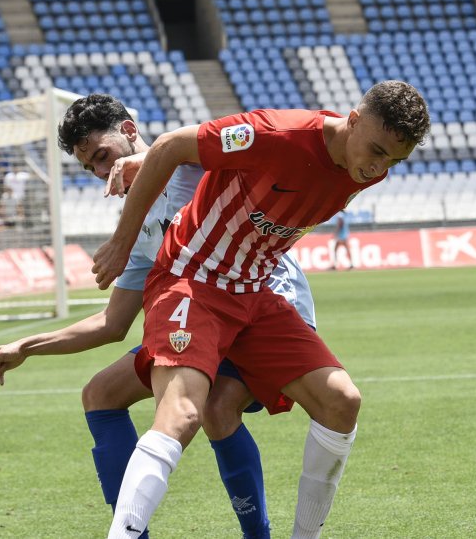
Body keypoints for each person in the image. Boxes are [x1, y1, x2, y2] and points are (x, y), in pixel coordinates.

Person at [89, 80, 430, 539]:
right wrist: (122, 242)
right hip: (194, 279)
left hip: (254, 293)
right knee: (185, 413)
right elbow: (171, 146)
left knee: (342, 401)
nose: (378, 166)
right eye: (375, 150)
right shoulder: (274, 133)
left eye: (393, 159)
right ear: (352, 120)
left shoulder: (366, 165)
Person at [0, 94, 317, 539]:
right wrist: (27, 345)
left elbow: (254, 155)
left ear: (131, 132)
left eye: (102, 155)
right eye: (90, 167)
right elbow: (112, 323)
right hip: (201, 320)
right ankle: (131, 532)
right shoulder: (138, 227)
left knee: (215, 408)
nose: (100, 172)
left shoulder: (194, 163)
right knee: (100, 393)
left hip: (265, 305)